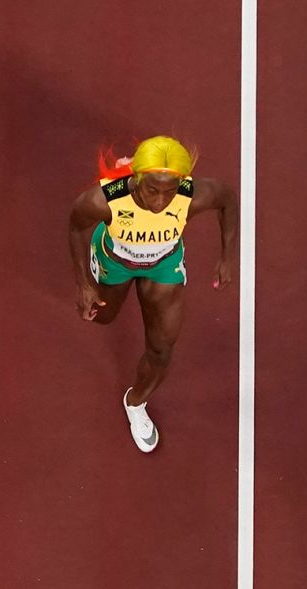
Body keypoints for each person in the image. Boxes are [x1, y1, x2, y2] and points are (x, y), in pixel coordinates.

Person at [67, 136, 238, 452]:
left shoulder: (188, 195)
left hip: (163, 265)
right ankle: (101, 265)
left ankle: (136, 403)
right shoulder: (106, 200)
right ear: (136, 180)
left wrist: (228, 256)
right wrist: (83, 284)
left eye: (169, 191)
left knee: (162, 349)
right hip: (115, 262)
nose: (161, 202)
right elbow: (76, 226)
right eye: (152, 190)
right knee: (103, 318)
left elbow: (228, 199)